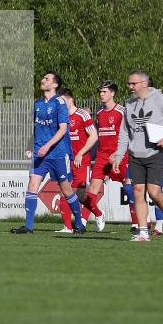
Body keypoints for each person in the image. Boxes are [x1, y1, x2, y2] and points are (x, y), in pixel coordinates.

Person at [111, 70, 163, 242]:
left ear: (144, 83)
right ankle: (143, 232)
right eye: (128, 83)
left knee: (154, 192)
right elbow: (124, 132)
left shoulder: (161, 99)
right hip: (135, 154)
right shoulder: (129, 104)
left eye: (133, 83)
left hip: (156, 152)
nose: (130, 86)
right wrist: (119, 154)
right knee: (137, 192)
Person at [12, 72, 83, 235]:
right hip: (40, 154)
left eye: (47, 79)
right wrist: (31, 146)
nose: (43, 80)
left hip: (57, 153)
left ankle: (79, 223)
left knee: (66, 189)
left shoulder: (60, 103)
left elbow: (63, 129)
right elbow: (37, 129)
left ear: (55, 85)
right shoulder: (37, 104)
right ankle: (28, 226)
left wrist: (47, 146)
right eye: (43, 78)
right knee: (32, 184)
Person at [88, 81, 137, 232]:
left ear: (112, 93)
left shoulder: (122, 112)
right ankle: (91, 218)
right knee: (91, 192)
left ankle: (136, 223)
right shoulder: (99, 112)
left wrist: (117, 153)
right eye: (100, 92)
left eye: (104, 92)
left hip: (120, 155)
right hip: (102, 156)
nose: (101, 94)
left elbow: (131, 134)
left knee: (128, 188)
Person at [60, 89, 102, 232]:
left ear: (70, 100)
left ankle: (98, 213)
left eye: (62, 101)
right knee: (64, 191)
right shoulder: (62, 117)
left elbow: (94, 136)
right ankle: (67, 227)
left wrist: (80, 153)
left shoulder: (82, 114)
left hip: (81, 160)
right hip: (66, 160)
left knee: (79, 194)